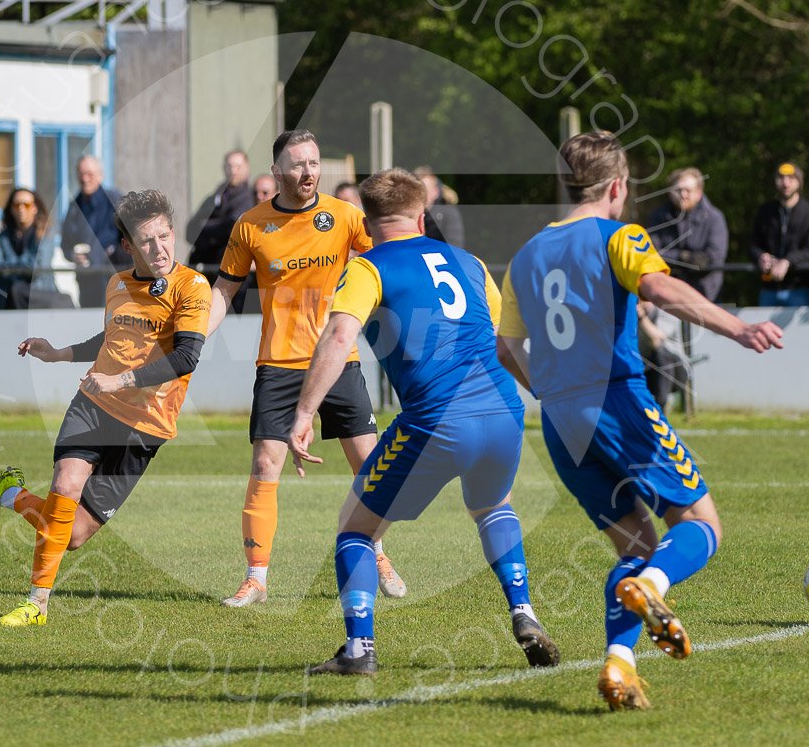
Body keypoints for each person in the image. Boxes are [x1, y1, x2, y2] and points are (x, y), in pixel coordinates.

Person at [495, 131, 782, 712]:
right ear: (617, 186)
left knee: (636, 545)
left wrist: (548, 391)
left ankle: (620, 668)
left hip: (560, 419)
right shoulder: (620, 235)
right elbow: (657, 286)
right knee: (701, 525)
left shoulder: (525, 255)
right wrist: (736, 326)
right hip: (618, 401)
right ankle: (654, 589)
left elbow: (506, 347)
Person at [289, 168, 558, 676]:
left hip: (437, 419)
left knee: (355, 529)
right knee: (493, 506)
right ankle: (524, 612)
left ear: (367, 224)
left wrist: (304, 412)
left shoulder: (368, 267)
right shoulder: (470, 262)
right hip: (503, 411)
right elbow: (506, 344)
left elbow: (338, 337)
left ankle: (358, 649)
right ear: (422, 215)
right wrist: (551, 397)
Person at [0, 190, 211, 626]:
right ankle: (37, 604)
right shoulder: (117, 285)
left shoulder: (193, 287)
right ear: (128, 247)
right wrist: (58, 354)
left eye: (165, 236)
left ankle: (9, 493)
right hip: (93, 407)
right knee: (66, 483)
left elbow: (186, 358)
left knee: (71, 534)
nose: (160, 248)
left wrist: (119, 380)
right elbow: (111, 341)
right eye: (147, 241)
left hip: (145, 427)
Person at [206, 128, 405, 608]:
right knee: (264, 465)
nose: (308, 172)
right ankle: (256, 577)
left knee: (371, 466)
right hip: (278, 363)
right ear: (276, 172)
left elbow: (389, 258)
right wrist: (194, 338)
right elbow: (224, 292)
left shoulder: (344, 217)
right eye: (297, 165)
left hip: (339, 358)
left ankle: (378, 552)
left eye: (314, 163)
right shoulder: (251, 225)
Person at [647, 167, 728, 302]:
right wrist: (683, 257)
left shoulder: (715, 218)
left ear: (699, 193)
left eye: (688, 190)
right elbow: (651, 252)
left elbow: (715, 256)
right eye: (678, 190)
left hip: (705, 296)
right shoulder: (658, 217)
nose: (683, 194)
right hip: (667, 295)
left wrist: (694, 261)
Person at [60, 155, 130, 307]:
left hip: (114, 279)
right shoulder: (73, 208)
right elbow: (65, 245)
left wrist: (110, 254)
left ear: (100, 176)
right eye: (81, 173)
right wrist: (73, 255)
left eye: (90, 174)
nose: (85, 179)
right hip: (86, 282)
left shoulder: (115, 200)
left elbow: (131, 239)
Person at [750, 162, 809, 306]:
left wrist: (787, 261)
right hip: (768, 289)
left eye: (791, 178)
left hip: (799, 289)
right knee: (764, 328)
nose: (785, 183)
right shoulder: (766, 211)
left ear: (799, 182)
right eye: (781, 177)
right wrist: (761, 256)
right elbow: (753, 245)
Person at [0, 188, 69, 309]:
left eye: (27, 204)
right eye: (16, 204)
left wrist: (7, 268)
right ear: (11, 209)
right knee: (15, 289)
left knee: (17, 289)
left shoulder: (46, 234)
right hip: (6, 305)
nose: (21, 208)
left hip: (38, 302)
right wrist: (24, 265)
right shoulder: (2, 238)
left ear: (35, 208)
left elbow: (38, 268)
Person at [187, 150, 256, 282]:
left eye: (238, 166)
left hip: (231, 271)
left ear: (247, 168)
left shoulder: (248, 198)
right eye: (229, 166)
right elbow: (191, 229)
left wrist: (205, 227)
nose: (233, 170)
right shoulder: (217, 195)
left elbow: (232, 225)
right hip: (206, 267)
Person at [414, 166, 465, 248]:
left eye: (425, 191)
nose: (421, 195)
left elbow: (455, 247)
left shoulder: (449, 213)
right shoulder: (409, 215)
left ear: (436, 192)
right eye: (418, 191)